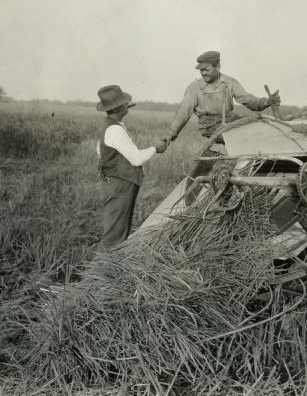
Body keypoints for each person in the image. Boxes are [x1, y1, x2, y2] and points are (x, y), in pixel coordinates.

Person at [96, 84, 167, 250]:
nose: (128, 104)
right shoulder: (114, 129)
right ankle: (99, 271)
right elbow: (136, 159)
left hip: (114, 184)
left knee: (118, 231)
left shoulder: (109, 124)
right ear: (120, 107)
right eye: (125, 102)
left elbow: (99, 151)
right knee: (114, 237)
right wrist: (156, 148)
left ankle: (109, 269)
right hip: (119, 186)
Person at [165, 51, 282, 143]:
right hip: (210, 126)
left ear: (218, 66)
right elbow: (183, 112)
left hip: (230, 121)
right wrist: (171, 134)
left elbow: (248, 100)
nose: (203, 73)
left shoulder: (229, 82)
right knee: (244, 136)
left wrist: (267, 102)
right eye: (201, 70)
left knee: (261, 127)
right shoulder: (195, 87)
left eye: (206, 69)